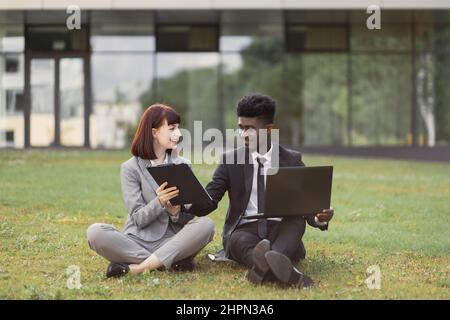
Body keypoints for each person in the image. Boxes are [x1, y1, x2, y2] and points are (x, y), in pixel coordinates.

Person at [186, 93, 334, 287]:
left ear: (268, 129)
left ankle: (266, 266)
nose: (243, 134)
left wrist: (319, 217)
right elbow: (209, 201)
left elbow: (306, 206)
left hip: (282, 231)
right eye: (241, 128)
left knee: (296, 221)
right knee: (237, 239)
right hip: (246, 230)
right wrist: (186, 200)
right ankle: (284, 268)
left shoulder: (291, 160)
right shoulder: (231, 160)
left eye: (250, 129)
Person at [87, 104, 215, 278]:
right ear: (154, 132)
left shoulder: (182, 164)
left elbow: (188, 216)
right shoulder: (130, 168)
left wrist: (176, 213)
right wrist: (159, 202)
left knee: (206, 225)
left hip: (173, 240)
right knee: (95, 232)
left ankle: (137, 269)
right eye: (171, 128)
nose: (177, 133)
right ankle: (168, 262)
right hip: (137, 241)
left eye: (178, 127)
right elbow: (138, 219)